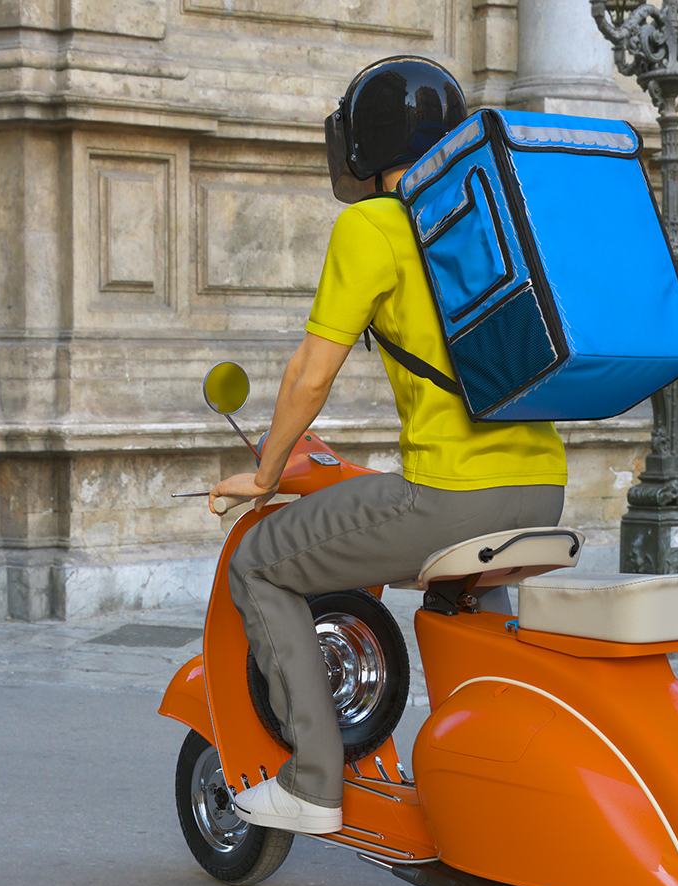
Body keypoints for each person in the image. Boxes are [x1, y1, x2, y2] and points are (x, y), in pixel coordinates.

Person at [208, 56, 569, 835]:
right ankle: (493, 772)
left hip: (448, 498)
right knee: (466, 601)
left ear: (361, 148)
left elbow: (310, 373)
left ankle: (311, 780)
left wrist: (266, 471)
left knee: (260, 563)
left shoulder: (372, 224)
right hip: (542, 490)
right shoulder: (483, 220)